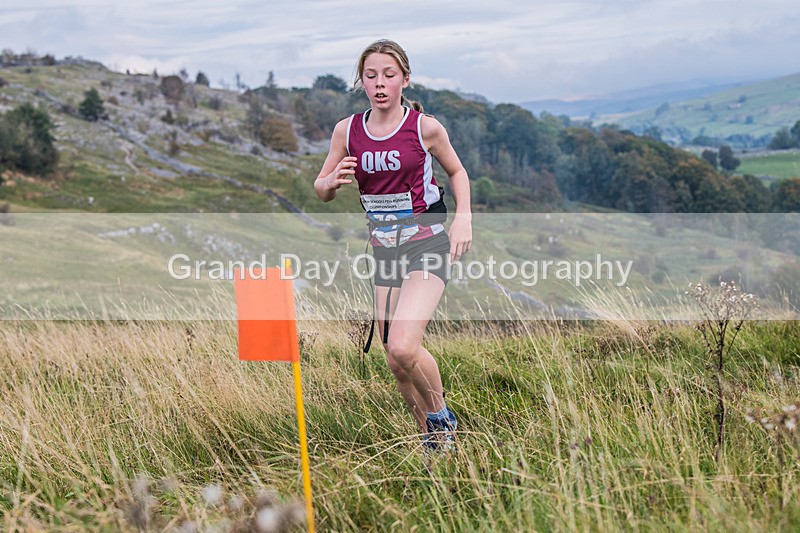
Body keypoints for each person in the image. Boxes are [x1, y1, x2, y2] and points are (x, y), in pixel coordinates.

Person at [314, 39, 472, 451]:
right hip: (385, 252)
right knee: (394, 361)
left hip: (426, 244)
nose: (380, 84)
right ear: (361, 82)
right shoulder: (347, 131)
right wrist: (330, 183)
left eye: (389, 75)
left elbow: (457, 172)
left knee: (404, 346)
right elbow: (322, 187)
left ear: (404, 79)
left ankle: (441, 418)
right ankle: (431, 442)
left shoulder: (424, 127)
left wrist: (463, 219)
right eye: (371, 76)